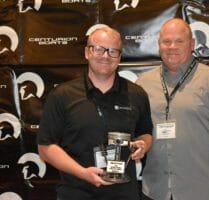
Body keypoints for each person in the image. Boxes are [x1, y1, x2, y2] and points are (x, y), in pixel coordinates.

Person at [136, 18, 209, 200]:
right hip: (155, 190)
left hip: (200, 190)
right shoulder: (143, 83)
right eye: (166, 41)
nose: (172, 46)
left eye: (179, 41)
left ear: (192, 44)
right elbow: (136, 129)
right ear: (159, 44)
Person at [37, 25, 153, 200]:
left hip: (124, 194)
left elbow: (146, 133)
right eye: (99, 49)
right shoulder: (62, 95)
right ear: (87, 52)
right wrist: (82, 173)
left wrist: (143, 145)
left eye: (112, 51)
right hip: (76, 192)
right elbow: (45, 147)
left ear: (119, 56)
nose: (105, 56)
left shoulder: (137, 94)